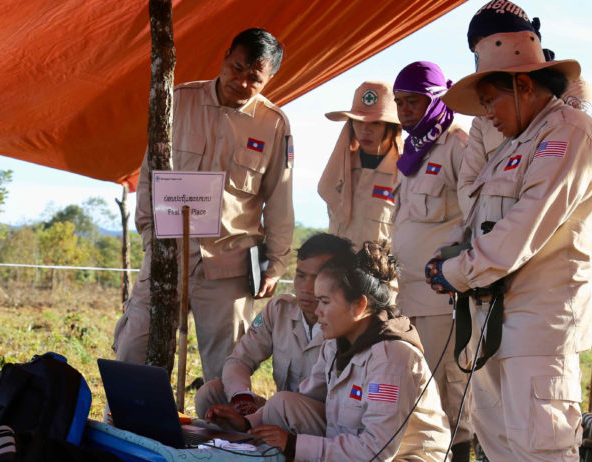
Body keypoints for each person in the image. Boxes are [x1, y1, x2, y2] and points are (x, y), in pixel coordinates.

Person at [432, 30, 592, 461]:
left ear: (523, 85)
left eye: (490, 99)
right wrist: (450, 254)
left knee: (539, 451)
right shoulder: (516, 143)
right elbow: (482, 219)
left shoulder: (569, 131)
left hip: (537, 332)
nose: (486, 114)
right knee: (499, 449)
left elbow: (524, 225)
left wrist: (457, 271)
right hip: (495, 327)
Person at [112, 28, 295, 382]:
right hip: (168, 254)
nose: (241, 82)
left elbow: (280, 198)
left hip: (230, 266)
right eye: (237, 68)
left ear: (269, 78)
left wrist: (276, 264)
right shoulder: (178, 100)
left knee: (226, 370)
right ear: (225, 57)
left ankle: (219, 438)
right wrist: (151, 236)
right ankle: (127, 430)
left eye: (254, 78)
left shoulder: (273, 124)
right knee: (133, 351)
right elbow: (151, 169)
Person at [207, 241, 451, 461]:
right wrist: (246, 424)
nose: (318, 311)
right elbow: (307, 398)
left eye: (325, 302)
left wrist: (294, 446)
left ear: (359, 306)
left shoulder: (391, 358)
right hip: (352, 449)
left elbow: (376, 451)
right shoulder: (337, 344)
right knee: (282, 402)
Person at [390, 61, 473, 461]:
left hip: (444, 296)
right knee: (417, 387)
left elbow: (475, 217)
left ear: (436, 99)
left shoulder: (458, 144)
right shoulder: (413, 149)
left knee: (450, 389)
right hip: (406, 294)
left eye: (413, 101)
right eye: (400, 102)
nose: (405, 110)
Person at [458, 0, 592, 218]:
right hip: (493, 239)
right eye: (476, 49)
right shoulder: (484, 110)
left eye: (489, 43)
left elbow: (561, 173)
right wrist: (486, 227)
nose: (482, 55)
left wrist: (503, 228)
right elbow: (468, 186)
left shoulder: (573, 91)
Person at [193, 233, 354, 419]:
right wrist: (241, 398)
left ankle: (250, 435)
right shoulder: (279, 310)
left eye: (317, 277)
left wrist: (257, 418)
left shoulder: (347, 325)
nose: (306, 288)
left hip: (322, 422)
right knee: (210, 393)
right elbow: (239, 360)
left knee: (283, 404)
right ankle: (229, 444)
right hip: (280, 410)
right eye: (300, 276)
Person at [318, 82, 402, 249]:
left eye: (376, 123)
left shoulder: (406, 174)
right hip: (338, 270)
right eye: (358, 121)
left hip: (380, 273)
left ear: (392, 128)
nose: (365, 130)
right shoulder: (340, 170)